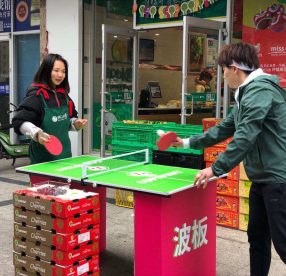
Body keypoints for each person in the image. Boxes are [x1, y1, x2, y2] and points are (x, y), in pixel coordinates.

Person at [172, 42, 286, 275]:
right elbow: (224, 128)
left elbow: (245, 137)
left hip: (278, 178)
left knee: (283, 243)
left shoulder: (259, 92)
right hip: (262, 178)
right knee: (256, 237)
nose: (222, 75)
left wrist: (214, 169)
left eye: (223, 69)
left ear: (235, 68)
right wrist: (185, 142)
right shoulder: (247, 93)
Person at [12, 53, 87, 164]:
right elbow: (19, 122)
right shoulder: (36, 96)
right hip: (42, 160)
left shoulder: (64, 96)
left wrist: (75, 123)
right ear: (46, 71)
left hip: (65, 156)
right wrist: (37, 133)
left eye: (63, 71)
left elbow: (69, 118)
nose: (60, 75)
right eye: (56, 70)